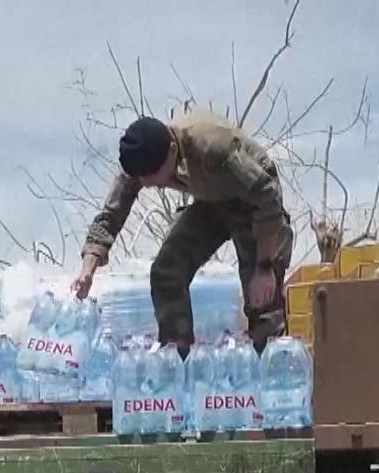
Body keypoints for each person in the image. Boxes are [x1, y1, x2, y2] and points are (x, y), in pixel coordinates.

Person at [71, 112, 294, 352]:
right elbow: (111, 215)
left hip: (252, 202)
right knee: (166, 271)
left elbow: (267, 195)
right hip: (210, 201)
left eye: (154, 176)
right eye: (143, 178)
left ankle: (270, 361)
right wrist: (88, 269)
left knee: (260, 293)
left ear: (171, 149)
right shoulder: (142, 160)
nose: (149, 184)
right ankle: (176, 356)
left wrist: (265, 267)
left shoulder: (211, 146)